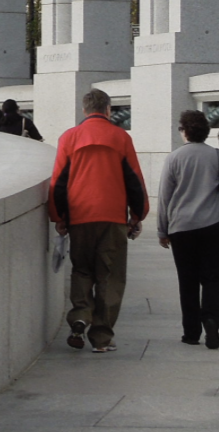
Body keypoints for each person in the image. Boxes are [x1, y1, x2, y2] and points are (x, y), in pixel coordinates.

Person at [49, 87, 149, 353]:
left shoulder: (69, 138)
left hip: (80, 217)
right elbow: (135, 181)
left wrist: (59, 216)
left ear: (84, 110)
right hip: (113, 218)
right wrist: (138, 215)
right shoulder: (120, 137)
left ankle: (81, 315)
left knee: (82, 270)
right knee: (110, 276)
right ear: (108, 110)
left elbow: (58, 182)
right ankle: (101, 338)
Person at [157, 110, 219, 349]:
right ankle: (211, 320)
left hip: (181, 229)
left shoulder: (174, 158)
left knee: (188, 280)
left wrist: (162, 230)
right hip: (213, 226)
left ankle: (191, 333)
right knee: (213, 278)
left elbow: (165, 198)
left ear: (184, 131)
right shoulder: (217, 156)